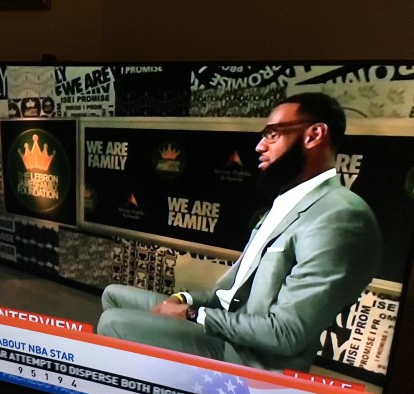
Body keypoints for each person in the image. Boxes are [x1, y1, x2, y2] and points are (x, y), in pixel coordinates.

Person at [97, 93, 382, 373]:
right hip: (224, 325)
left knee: (113, 323)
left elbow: (286, 333)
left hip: (247, 356)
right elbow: (226, 294)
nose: (259, 146)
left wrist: (192, 314)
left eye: (272, 134)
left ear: (314, 135)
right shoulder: (287, 202)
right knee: (113, 295)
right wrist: (184, 300)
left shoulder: (341, 216)